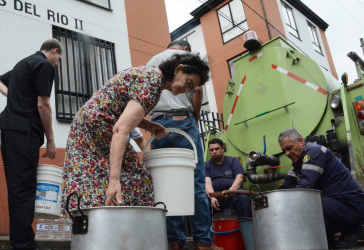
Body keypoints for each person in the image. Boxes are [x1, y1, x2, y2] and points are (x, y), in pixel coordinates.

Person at [61, 53, 210, 217]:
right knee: (136, 179)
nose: (185, 89)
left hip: (89, 121)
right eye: (188, 82)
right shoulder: (152, 84)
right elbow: (120, 129)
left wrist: (148, 125)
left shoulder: (151, 78)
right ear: (179, 69)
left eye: (190, 88)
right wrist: (114, 179)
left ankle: (102, 222)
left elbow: (122, 110)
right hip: (98, 125)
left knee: (95, 177)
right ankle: (118, 226)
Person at [147, 40, 221, 250]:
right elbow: (197, 91)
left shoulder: (152, 61)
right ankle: (203, 242)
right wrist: (194, 120)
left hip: (157, 125)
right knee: (195, 183)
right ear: (186, 51)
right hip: (183, 121)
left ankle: (175, 242)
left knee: (166, 185)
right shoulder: (188, 62)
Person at [0, 38, 62, 250]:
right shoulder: (44, 65)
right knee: (24, 187)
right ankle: (24, 245)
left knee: (17, 187)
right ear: (54, 51)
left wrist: (15, 98)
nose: (57, 63)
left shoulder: (24, 63)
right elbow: (43, 105)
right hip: (24, 131)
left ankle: (20, 242)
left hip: (10, 129)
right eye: (58, 58)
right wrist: (51, 140)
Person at [278, 128, 364, 249]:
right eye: (284, 151)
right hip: (337, 205)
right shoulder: (298, 163)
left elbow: (304, 188)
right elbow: (286, 187)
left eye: (289, 148)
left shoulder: (314, 152)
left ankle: (357, 229)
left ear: (301, 141)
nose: (287, 153)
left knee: (311, 204)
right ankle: (333, 237)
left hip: (352, 206)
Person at [205, 138, 254, 250]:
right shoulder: (207, 165)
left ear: (223, 149)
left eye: (217, 149)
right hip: (216, 196)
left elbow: (240, 177)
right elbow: (207, 182)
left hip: (233, 193)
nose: (214, 152)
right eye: (211, 150)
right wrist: (212, 197)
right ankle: (209, 242)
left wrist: (231, 191)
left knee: (243, 198)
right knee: (203, 202)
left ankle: (249, 242)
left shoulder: (233, 161)